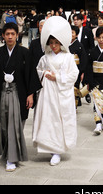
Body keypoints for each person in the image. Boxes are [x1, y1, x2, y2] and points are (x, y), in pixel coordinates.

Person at [0, 22, 42, 172]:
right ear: (3, 36)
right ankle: (7, 153)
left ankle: (11, 159)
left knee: (15, 126)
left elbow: (30, 75)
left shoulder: (25, 53)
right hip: (1, 93)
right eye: (7, 34)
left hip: (18, 93)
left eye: (12, 34)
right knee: (3, 125)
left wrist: (31, 95)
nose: (9, 37)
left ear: (17, 35)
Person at [32, 16, 79, 166]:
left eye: (56, 43)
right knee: (48, 119)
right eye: (51, 43)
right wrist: (44, 74)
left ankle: (58, 150)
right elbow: (38, 70)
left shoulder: (69, 57)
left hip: (62, 92)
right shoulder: (45, 57)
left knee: (60, 120)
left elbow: (74, 74)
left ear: (61, 43)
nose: (53, 46)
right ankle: (50, 148)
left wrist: (57, 77)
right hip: (48, 92)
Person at [69, 25, 88, 107]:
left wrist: (82, 71)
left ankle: (75, 103)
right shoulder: (64, 44)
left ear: (76, 35)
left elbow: (83, 59)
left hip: (76, 69)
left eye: (72, 33)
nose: (70, 34)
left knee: (75, 86)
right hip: (67, 69)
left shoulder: (79, 45)